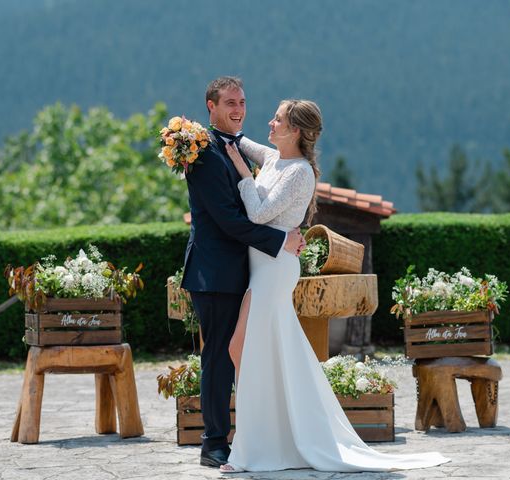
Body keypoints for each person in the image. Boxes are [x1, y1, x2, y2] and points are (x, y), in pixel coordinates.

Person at [220, 99, 451, 473]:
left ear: (294, 130)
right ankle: (267, 437)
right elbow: (239, 141)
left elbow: (260, 214)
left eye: (277, 119)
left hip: (275, 270)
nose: (270, 122)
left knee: (244, 347)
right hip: (260, 269)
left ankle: (253, 447)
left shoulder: (300, 173)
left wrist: (244, 176)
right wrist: (203, 135)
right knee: (254, 351)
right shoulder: (274, 157)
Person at [180, 77, 306, 468]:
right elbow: (229, 221)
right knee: (218, 356)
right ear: (210, 106)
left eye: (243, 102)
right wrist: (280, 240)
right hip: (214, 273)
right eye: (230, 102)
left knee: (249, 355)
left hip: (247, 273)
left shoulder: (235, 146)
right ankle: (213, 443)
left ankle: (254, 436)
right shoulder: (201, 155)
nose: (238, 109)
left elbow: (279, 163)